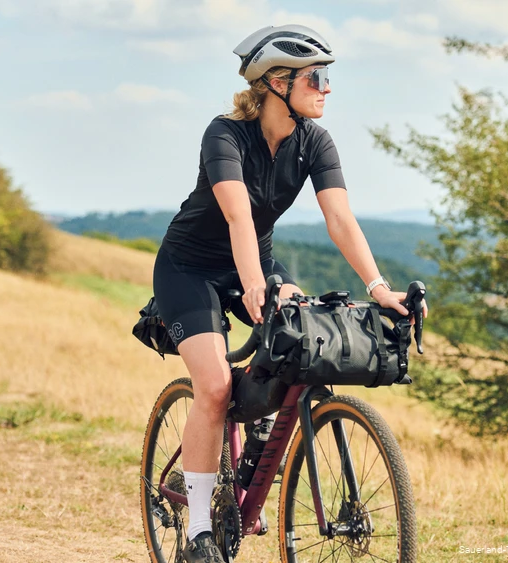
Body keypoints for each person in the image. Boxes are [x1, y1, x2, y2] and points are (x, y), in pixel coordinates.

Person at [152, 24, 428, 562]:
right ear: (276, 83)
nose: (326, 88)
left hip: (254, 260)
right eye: (315, 77)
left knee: (301, 327)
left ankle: (258, 422)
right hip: (189, 267)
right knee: (212, 387)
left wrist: (379, 287)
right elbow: (237, 216)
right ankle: (199, 532)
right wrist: (254, 286)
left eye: (326, 78)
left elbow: (339, 218)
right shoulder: (225, 134)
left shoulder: (314, 140)